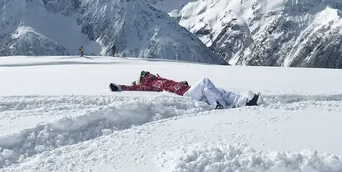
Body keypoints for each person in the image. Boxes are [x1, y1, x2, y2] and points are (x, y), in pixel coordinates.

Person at [110, 71, 260, 109]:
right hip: (185, 96)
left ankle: (244, 102)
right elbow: (133, 88)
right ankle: (218, 105)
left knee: (217, 89)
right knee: (205, 82)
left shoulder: (160, 79)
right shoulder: (149, 84)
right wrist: (119, 87)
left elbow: (173, 84)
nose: (146, 74)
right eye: (143, 75)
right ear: (143, 79)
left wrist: (183, 83)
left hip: (187, 90)